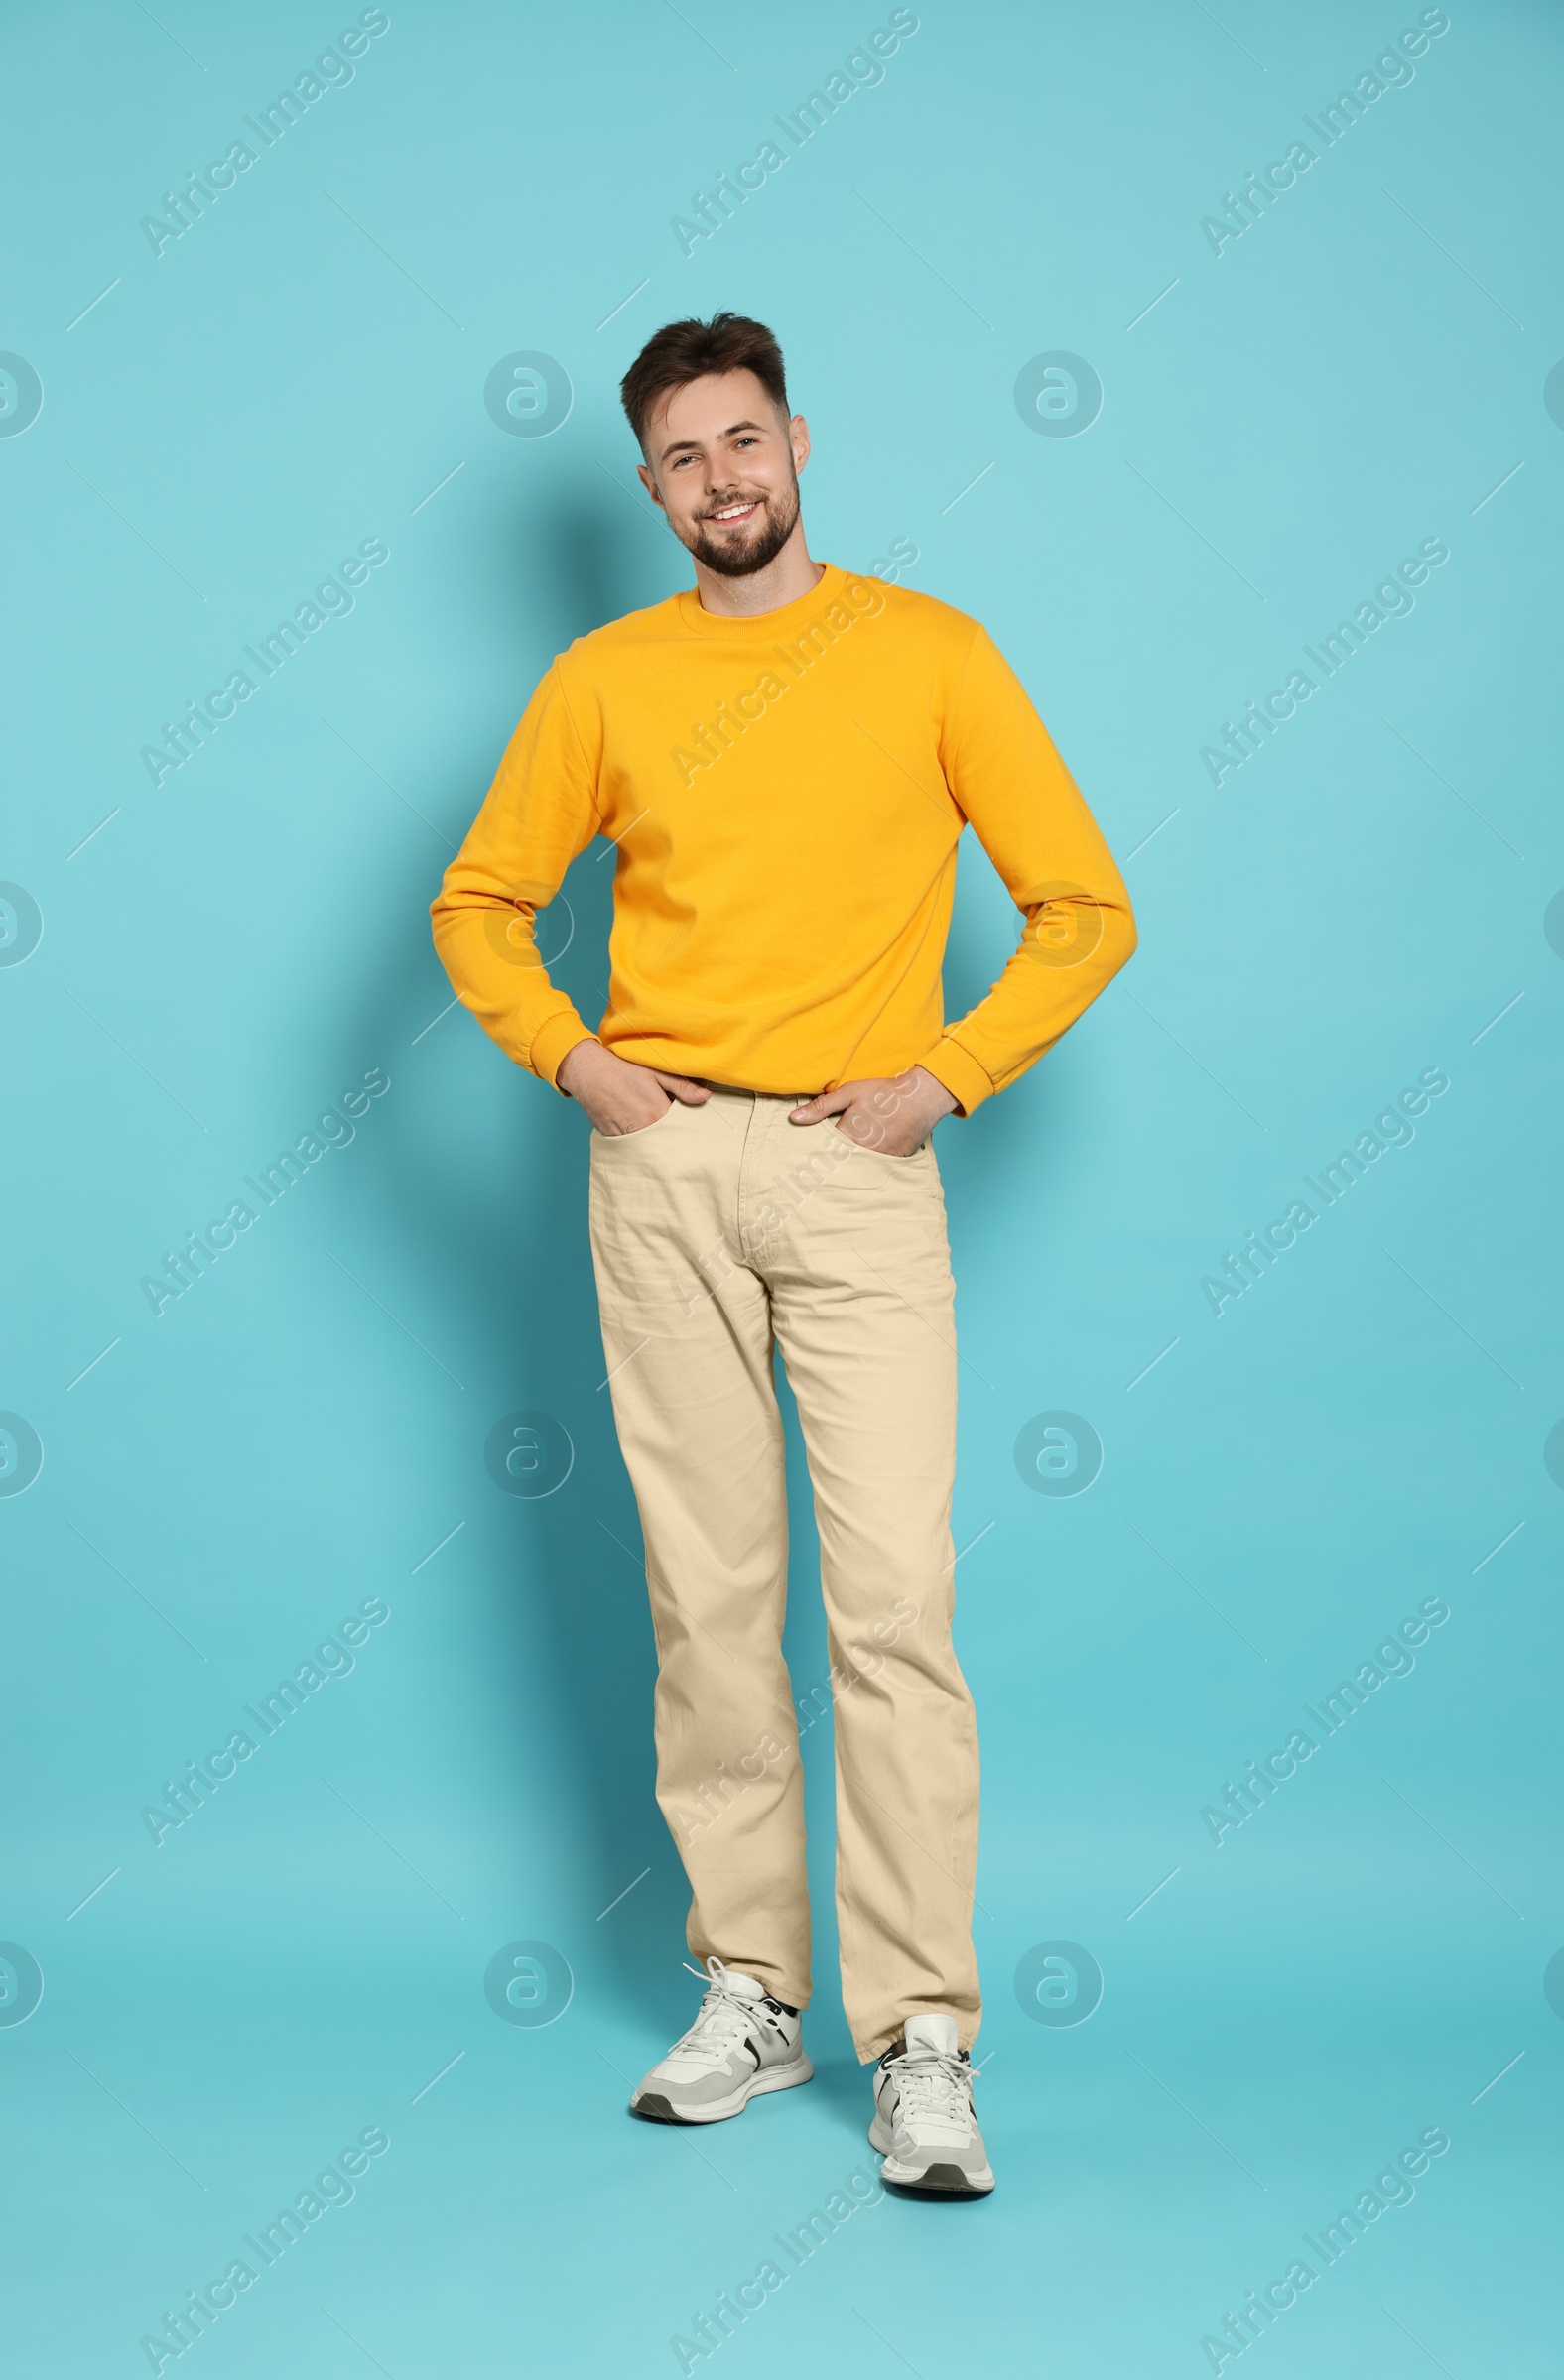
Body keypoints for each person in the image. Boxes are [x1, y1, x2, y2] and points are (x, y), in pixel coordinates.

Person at [431, 312, 1135, 2197]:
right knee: (708, 1604)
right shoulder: (604, 680)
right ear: (649, 487)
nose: (722, 478)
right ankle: (754, 1988)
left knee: (893, 1601)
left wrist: (950, 1077)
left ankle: (924, 2042)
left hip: (857, 1164)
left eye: (745, 441)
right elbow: (480, 902)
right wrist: (576, 1064)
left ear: (800, 443)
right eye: (683, 456)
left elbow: (1084, 906)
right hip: (658, 1169)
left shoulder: (927, 654)